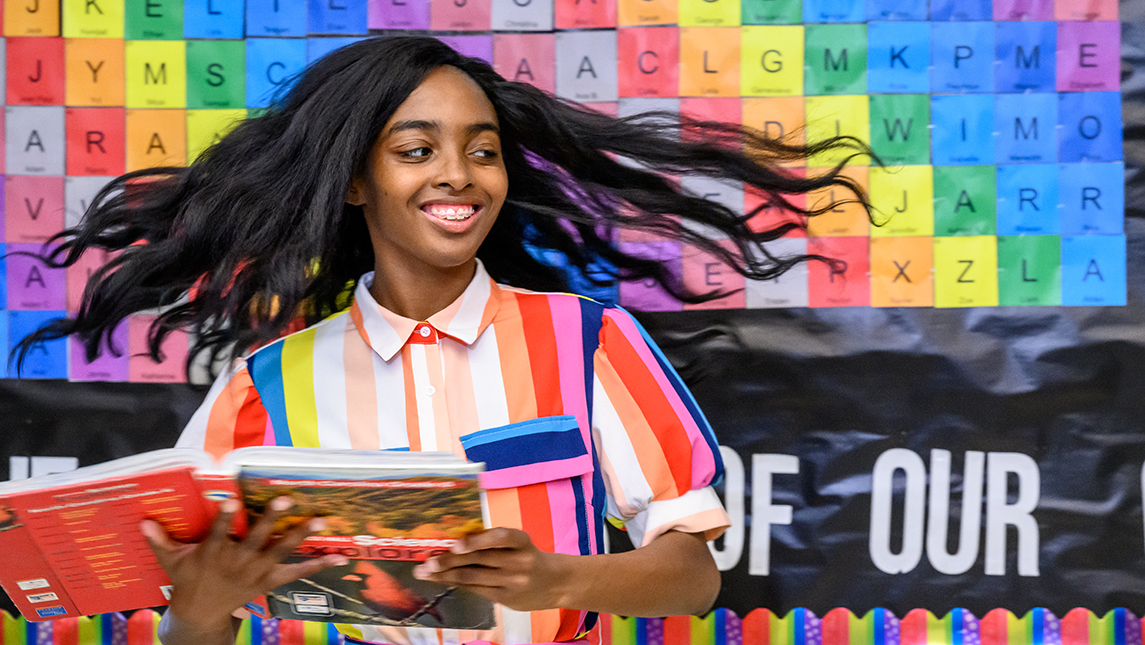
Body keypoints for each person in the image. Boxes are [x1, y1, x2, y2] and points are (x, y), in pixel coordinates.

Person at [16, 36, 869, 645]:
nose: (458, 174)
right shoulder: (262, 387)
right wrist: (201, 611)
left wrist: (558, 577)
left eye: (482, 150)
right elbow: (196, 623)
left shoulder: (590, 340)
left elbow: (692, 578)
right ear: (356, 180)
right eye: (415, 149)